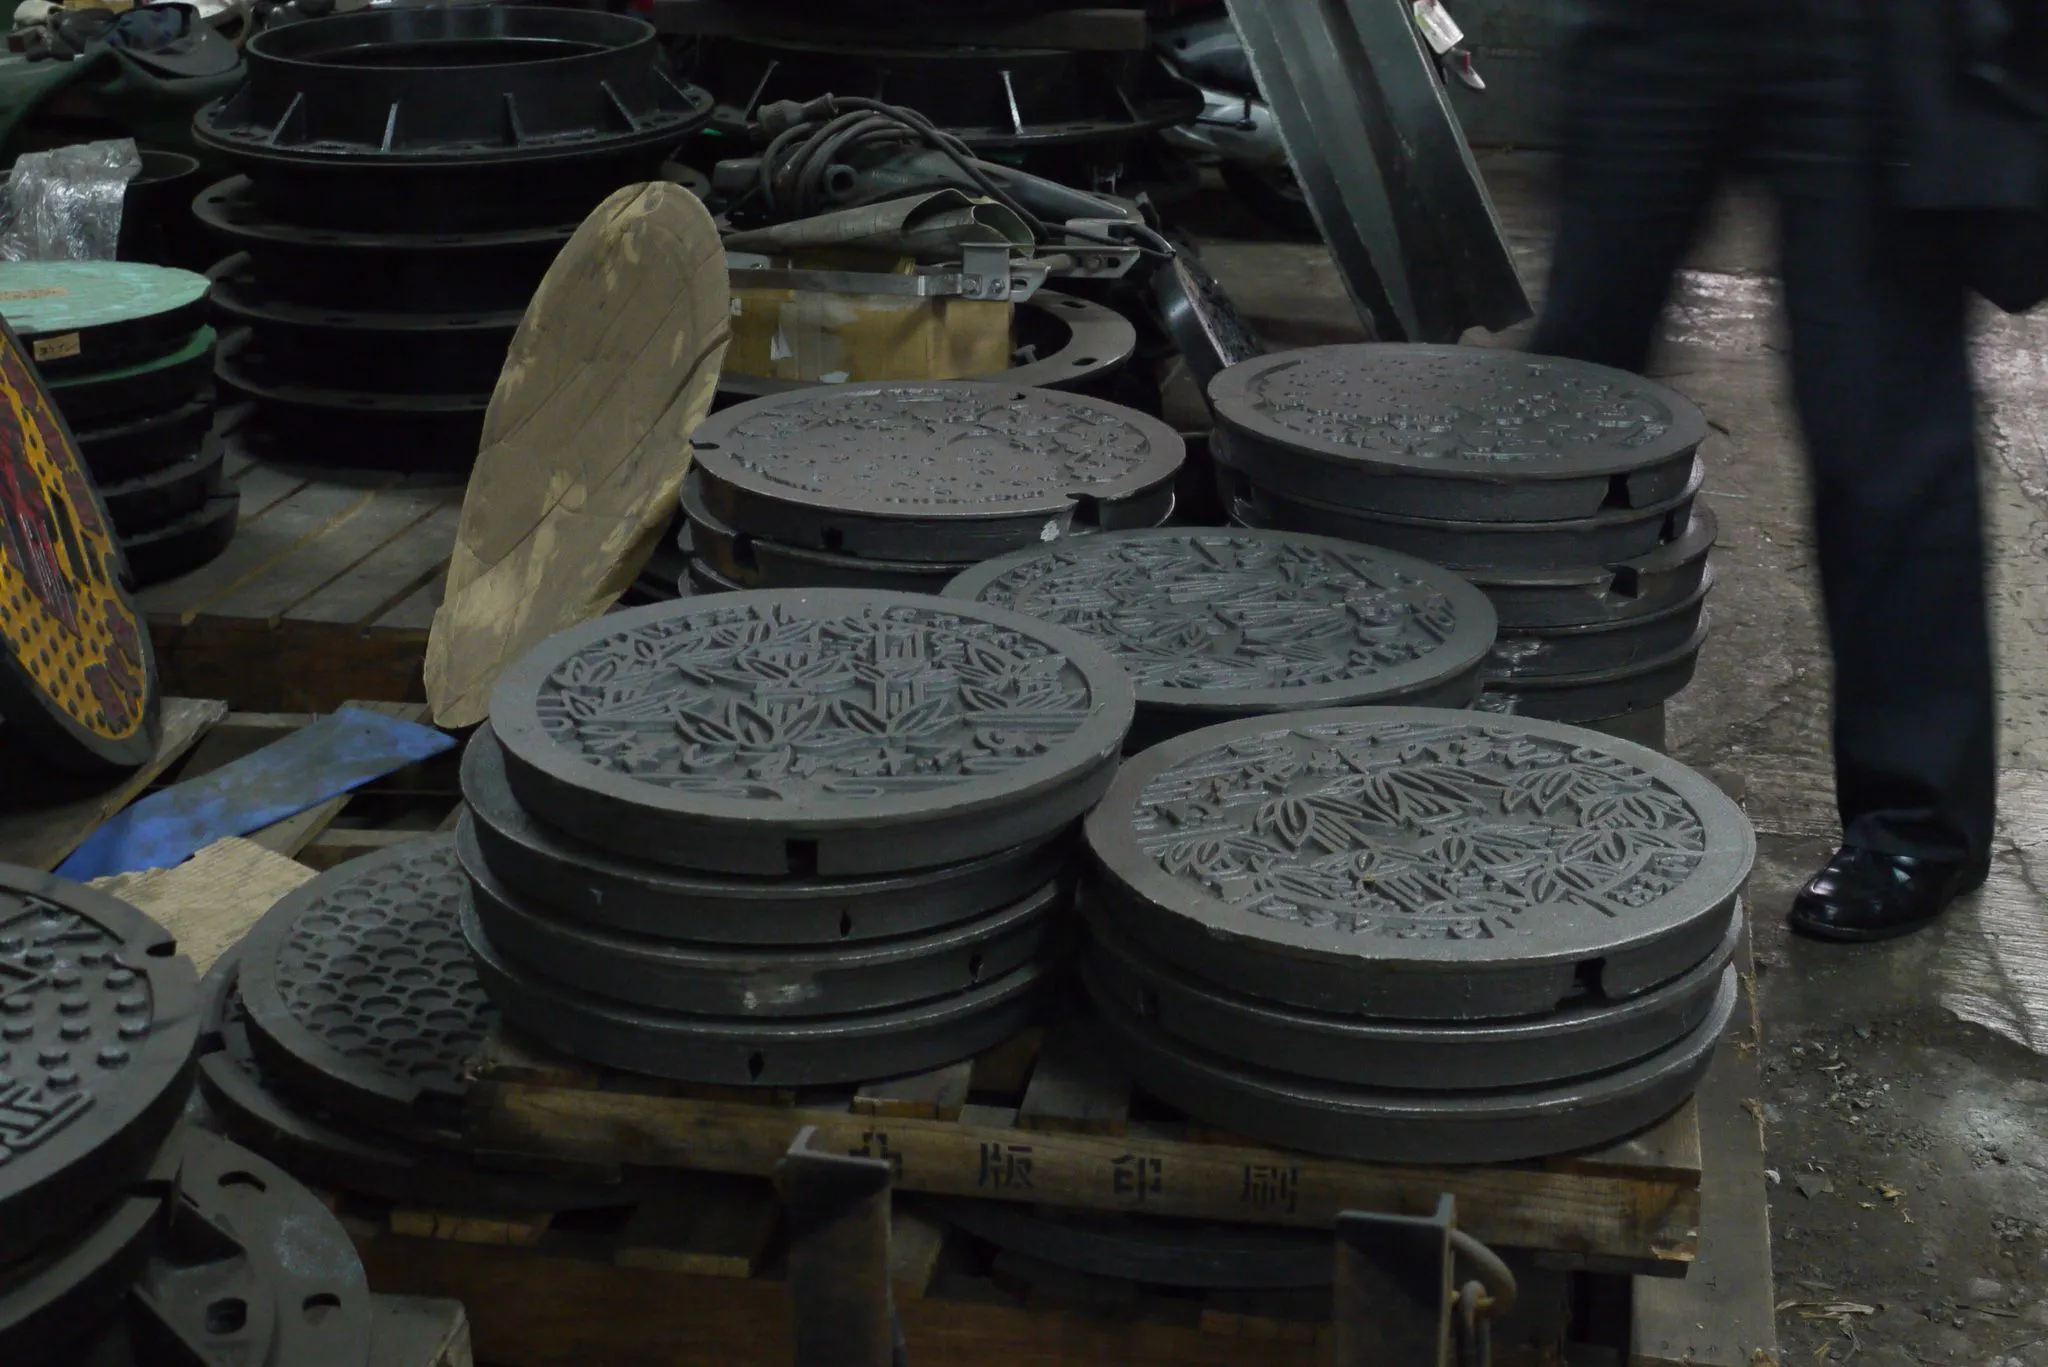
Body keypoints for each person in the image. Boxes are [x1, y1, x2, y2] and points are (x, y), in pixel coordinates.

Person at [1530, 0, 2044, 941]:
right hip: (1664, 24)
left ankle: (1919, 822)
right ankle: (1511, 715)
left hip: (1863, 31)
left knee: (1878, 422)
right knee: (1575, 390)